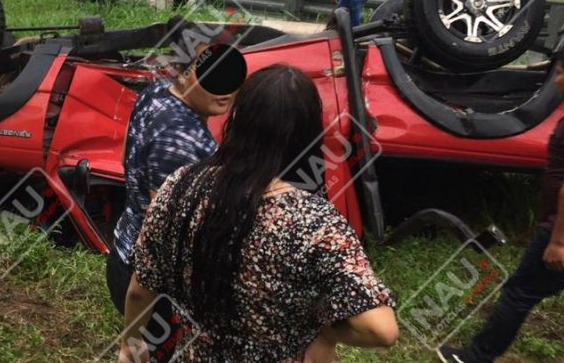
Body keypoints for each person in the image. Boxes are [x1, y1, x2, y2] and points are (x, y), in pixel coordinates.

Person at [119, 64, 398, 362]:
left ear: (236, 118)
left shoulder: (179, 185)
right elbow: (381, 330)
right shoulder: (315, 224)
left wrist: (130, 345)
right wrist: (326, 334)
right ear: (307, 135)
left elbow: (139, 289)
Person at [438, 43, 564, 363]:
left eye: (559, 74)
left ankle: (476, 357)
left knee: (518, 293)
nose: (555, 80)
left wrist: (558, 241)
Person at [106, 43, 246, 315]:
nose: (225, 90)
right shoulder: (181, 141)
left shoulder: (156, 92)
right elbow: (167, 232)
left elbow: (125, 156)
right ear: (182, 72)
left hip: (124, 254)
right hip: (152, 288)